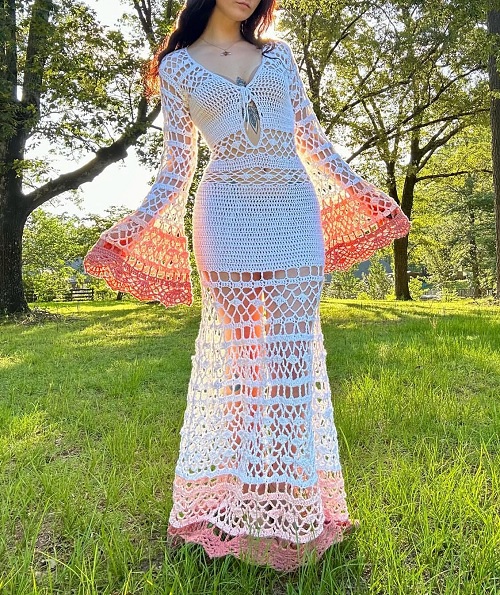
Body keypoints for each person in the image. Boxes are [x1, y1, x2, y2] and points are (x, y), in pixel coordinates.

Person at [84, 0, 411, 572]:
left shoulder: (280, 57)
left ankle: (289, 507)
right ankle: (239, 501)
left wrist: (364, 192)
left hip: (293, 212)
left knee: (289, 365)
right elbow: (176, 167)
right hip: (225, 214)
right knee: (241, 369)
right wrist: (131, 227)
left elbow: (313, 141)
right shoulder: (177, 67)